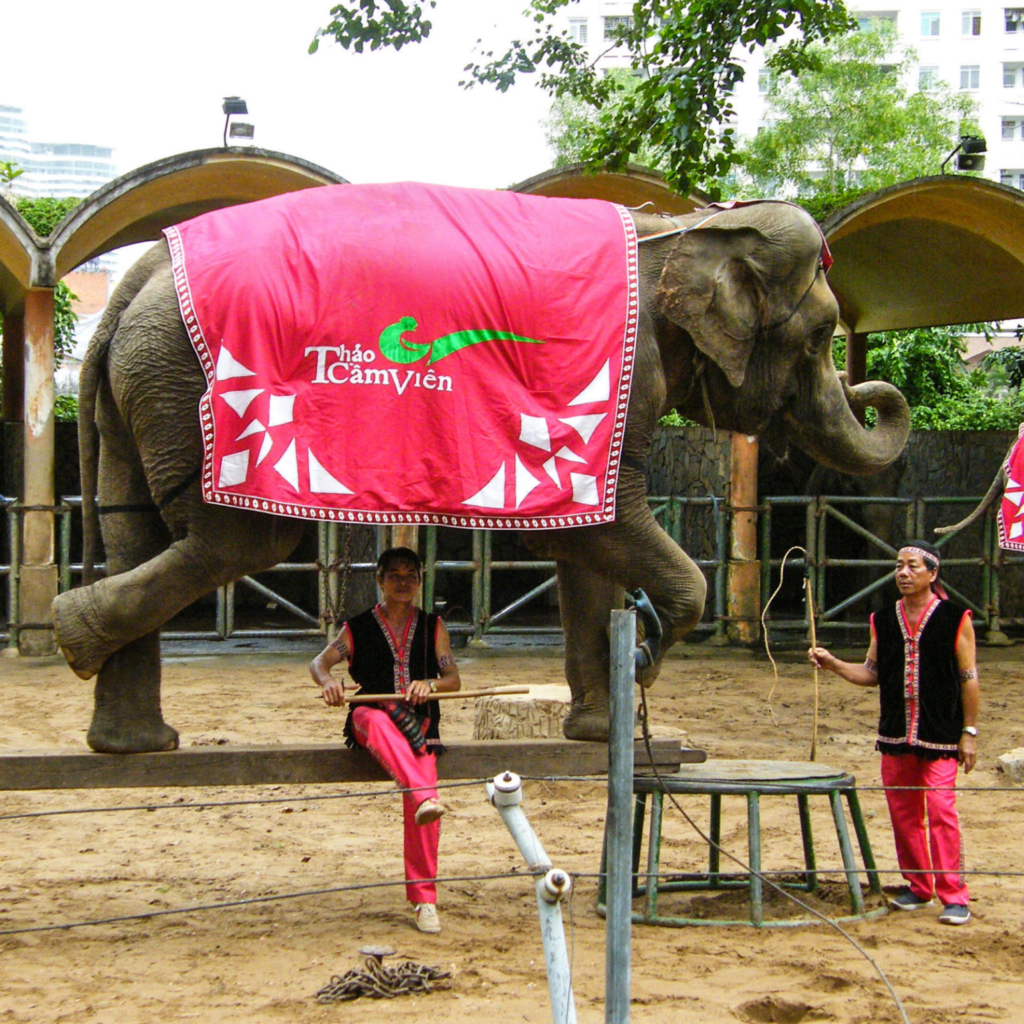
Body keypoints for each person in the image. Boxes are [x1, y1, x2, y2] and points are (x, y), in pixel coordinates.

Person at [809, 541, 979, 926]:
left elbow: (969, 679)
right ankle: (919, 886)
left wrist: (969, 731)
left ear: (932, 574)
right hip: (896, 732)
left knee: (940, 809)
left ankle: (954, 894)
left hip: (941, 733)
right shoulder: (883, 620)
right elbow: (871, 673)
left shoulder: (956, 618)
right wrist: (833, 663)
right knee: (903, 813)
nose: (903, 573)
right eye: (899, 566)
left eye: (912, 566)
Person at [310, 546, 461, 934]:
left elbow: (453, 681)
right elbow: (319, 663)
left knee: (424, 796)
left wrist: (428, 684)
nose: (403, 583)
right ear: (379, 580)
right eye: (394, 575)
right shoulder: (356, 628)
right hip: (371, 719)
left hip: (420, 729)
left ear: (419, 581)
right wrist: (329, 683)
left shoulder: (433, 627)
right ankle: (421, 791)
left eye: (410, 575)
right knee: (373, 720)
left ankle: (424, 900)